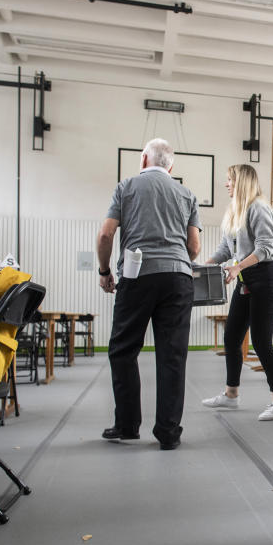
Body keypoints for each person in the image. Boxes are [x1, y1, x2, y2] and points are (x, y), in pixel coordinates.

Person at [97, 138, 200, 450]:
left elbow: (106, 233)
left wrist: (104, 271)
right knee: (173, 356)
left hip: (137, 274)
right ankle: (169, 433)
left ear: (144, 160)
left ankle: (127, 425)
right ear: (171, 166)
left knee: (123, 350)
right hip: (178, 278)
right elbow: (194, 248)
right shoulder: (186, 194)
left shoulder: (126, 187)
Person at [201, 164, 273, 422]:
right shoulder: (233, 212)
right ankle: (231, 394)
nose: (226, 184)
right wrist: (203, 267)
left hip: (266, 278)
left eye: (230, 180)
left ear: (242, 182)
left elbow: (266, 247)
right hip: (245, 280)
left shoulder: (259, 207)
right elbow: (225, 250)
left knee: (261, 342)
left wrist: (238, 265)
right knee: (231, 337)